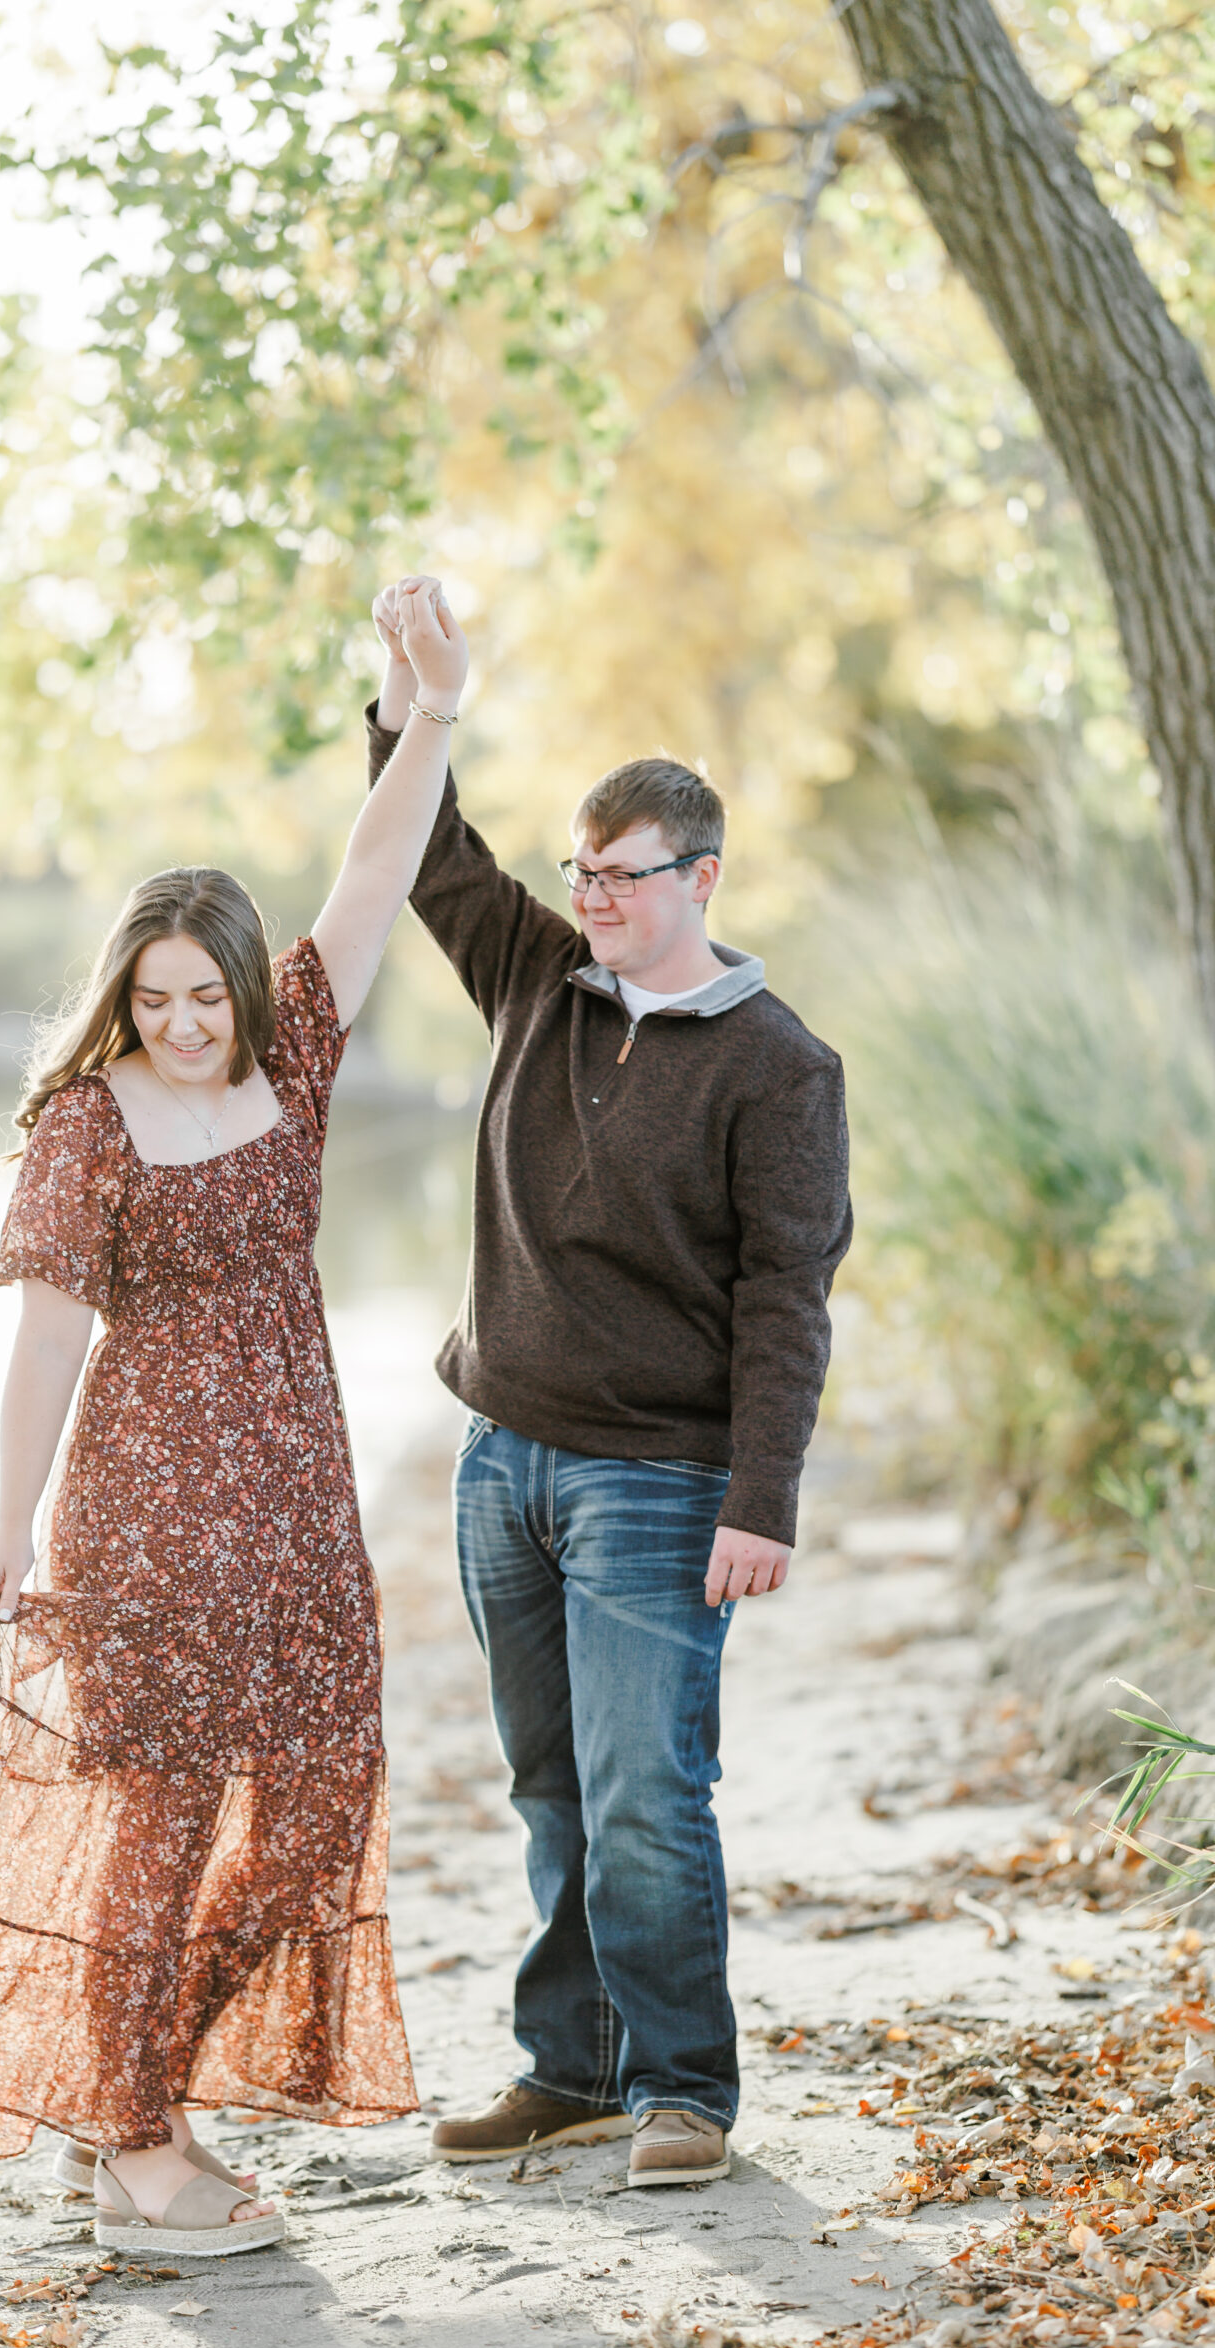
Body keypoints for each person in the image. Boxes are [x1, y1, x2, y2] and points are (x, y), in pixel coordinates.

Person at [0, 577, 470, 2258]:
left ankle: (129, 2078)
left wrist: (432, 711)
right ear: (124, 995)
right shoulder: (85, 1128)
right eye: (160, 999)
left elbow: (371, 872)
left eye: (211, 996)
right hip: (145, 1507)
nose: (189, 1025)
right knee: (166, 1818)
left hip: (297, 1504)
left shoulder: (300, 1062)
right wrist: (2, 1523)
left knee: (320, 1815)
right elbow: (48, 1347)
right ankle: (134, 2142)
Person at [367, 582, 851, 2189]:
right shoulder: (534, 978)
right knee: (550, 1786)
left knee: (651, 1791)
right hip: (502, 1461)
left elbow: (786, 1300)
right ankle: (567, 2071)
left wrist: (761, 1501)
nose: (590, 899)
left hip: (657, 1482)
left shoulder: (782, 1067)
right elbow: (432, 858)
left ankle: (683, 2094)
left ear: (701, 878)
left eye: (622, 877)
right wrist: (413, 702)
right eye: (579, 872)